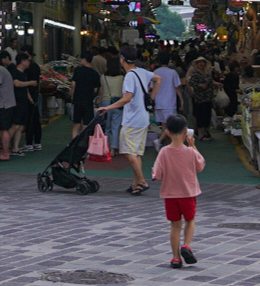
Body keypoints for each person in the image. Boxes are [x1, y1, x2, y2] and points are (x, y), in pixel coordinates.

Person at [152, 113, 205, 269]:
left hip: (170, 194)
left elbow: (158, 175)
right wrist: (193, 146)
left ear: (167, 132)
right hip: (188, 193)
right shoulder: (190, 152)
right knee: (190, 220)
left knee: (175, 225)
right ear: (186, 132)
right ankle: (187, 246)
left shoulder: (164, 152)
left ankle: (175, 258)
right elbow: (200, 166)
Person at [100, 45, 152, 195]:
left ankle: (141, 181)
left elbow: (127, 98)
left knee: (128, 152)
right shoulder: (142, 72)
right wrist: (151, 97)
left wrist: (108, 108)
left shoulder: (129, 76)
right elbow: (158, 78)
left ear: (122, 59)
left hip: (132, 120)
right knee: (135, 153)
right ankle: (136, 183)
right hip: (143, 118)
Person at [11, 52, 41, 153]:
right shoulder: (15, 72)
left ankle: (15, 147)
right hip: (17, 101)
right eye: (28, 60)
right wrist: (30, 83)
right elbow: (17, 84)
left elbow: (25, 89)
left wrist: (30, 98)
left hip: (24, 101)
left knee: (20, 126)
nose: (29, 62)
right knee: (15, 125)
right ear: (22, 61)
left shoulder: (24, 74)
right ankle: (5, 145)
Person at [70, 49, 102, 139]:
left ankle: (74, 145)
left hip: (77, 101)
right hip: (88, 101)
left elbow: (73, 85)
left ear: (84, 59)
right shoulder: (95, 73)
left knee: (76, 124)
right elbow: (96, 90)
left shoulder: (77, 71)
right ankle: (84, 145)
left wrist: (72, 97)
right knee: (86, 125)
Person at [184, 57, 217, 141]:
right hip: (199, 98)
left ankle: (207, 132)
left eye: (203, 62)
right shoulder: (195, 74)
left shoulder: (207, 73)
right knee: (200, 115)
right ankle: (200, 134)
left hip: (208, 97)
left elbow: (211, 82)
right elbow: (190, 82)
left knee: (207, 115)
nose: (201, 64)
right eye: (199, 62)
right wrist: (199, 85)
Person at [152, 56, 184, 133]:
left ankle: (165, 142)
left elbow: (152, 88)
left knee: (164, 125)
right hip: (169, 102)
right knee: (171, 125)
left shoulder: (155, 72)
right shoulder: (173, 72)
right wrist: (182, 100)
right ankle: (160, 141)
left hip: (159, 102)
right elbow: (177, 88)